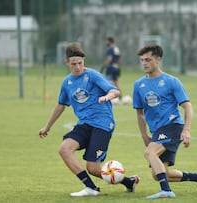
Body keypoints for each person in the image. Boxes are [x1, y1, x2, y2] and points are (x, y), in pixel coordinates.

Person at [39, 42, 139, 197]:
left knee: (93, 168)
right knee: (64, 149)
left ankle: (126, 181)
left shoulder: (92, 75)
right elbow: (60, 105)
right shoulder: (67, 82)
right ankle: (95, 187)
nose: (78, 67)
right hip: (84, 124)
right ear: (67, 63)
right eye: (74, 64)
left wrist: (107, 96)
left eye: (80, 63)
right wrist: (47, 127)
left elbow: (115, 91)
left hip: (103, 123)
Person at [132, 45, 197, 199]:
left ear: (158, 60)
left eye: (148, 60)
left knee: (150, 153)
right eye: (142, 60)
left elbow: (188, 107)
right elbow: (139, 113)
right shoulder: (138, 85)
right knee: (159, 173)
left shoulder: (171, 81)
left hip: (173, 126)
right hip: (157, 131)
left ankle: (166, 191)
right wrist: (144, 134)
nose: (144, 63)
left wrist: (186, 130)